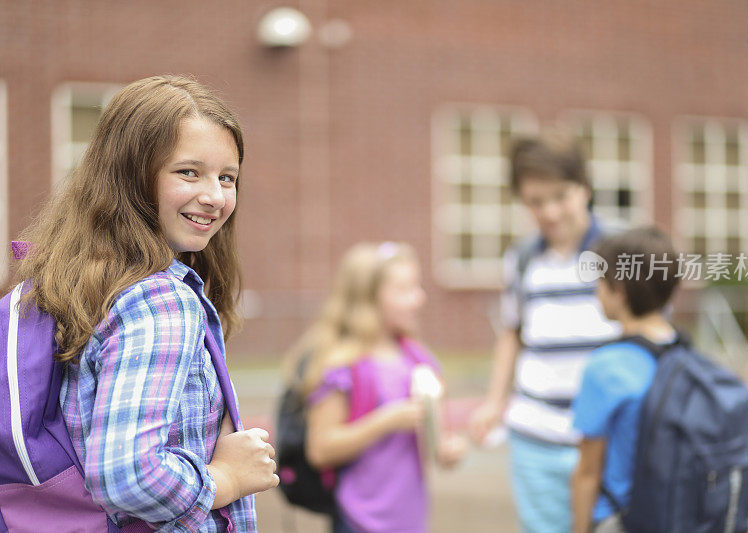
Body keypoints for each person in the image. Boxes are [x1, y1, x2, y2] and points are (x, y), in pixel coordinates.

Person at [13, 75, 279, 531]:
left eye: (227, 177)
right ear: (130, 174)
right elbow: (129, 473)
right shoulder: (158, 299)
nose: (214, 196)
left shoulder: (73, 281)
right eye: (188, 172)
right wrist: (225, 478)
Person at [468, 131, 620, 533]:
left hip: (608, 439)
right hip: (535, 438)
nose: (550, 211)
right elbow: (512, 332)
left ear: (584, 189)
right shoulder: (521, 259)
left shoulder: (622, 253)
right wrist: (494, 402)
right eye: (536, 201)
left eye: (560, 196)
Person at [294, 242, 467, 533]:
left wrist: (449, 449)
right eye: (404, 290)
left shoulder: (418, 359)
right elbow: (320, 450)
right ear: (368, 299)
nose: (419, 299)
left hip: (409, 519)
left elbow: (437, 442)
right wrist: (387, 420)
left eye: (417, 287)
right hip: (358, 519)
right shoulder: (342, 366)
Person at [571, 227, 680, 533]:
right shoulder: (685, 353)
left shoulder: (605, 368)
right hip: (677, 515)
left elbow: (587, 473)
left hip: (621, 518)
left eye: (599, 283)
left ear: (618, 291)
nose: (596, 292)